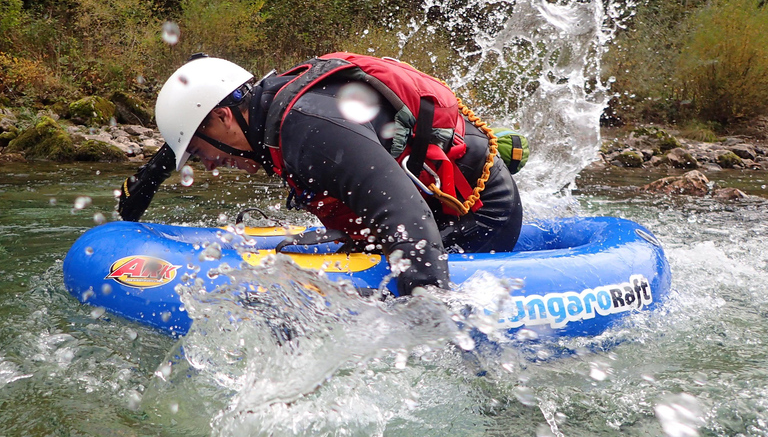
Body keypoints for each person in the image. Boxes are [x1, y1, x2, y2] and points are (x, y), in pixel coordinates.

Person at [118, 52, 524, 296]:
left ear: (224, 118)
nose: (207, 164)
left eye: (200, 153)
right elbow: (194, 126)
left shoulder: (309, 130)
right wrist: (143, 185)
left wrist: (426, 323)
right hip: (432, 203)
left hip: (478, 218)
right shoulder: (260, 111)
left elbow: (408, 222)